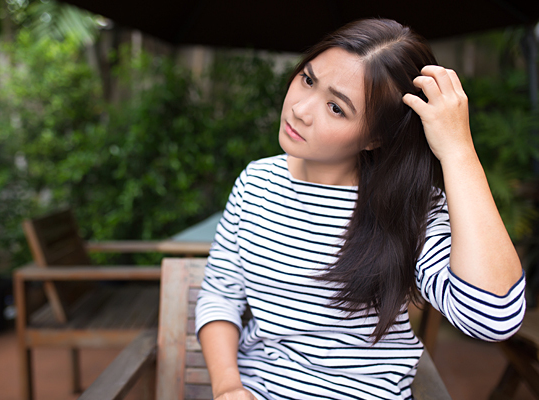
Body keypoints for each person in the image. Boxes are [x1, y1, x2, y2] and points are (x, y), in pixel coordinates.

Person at [195, 18, 526, 400]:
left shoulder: (410, 209)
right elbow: (220, 296)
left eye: (336, 107)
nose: (301, 109)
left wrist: (458, 150)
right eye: (307, 79)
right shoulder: (256, 182)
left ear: (375, 137)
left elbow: (493, 317)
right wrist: (228, 387)